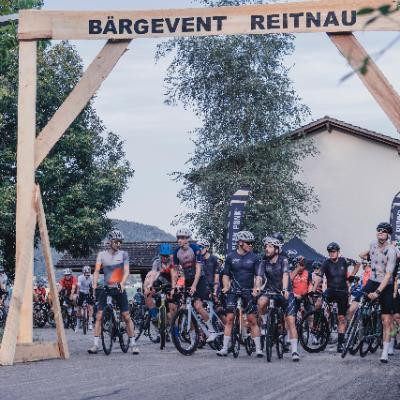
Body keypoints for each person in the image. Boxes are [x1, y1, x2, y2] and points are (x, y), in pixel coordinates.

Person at [88, 229, 138, 355]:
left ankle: (133, 344)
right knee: (99, 315)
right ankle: (95, 345)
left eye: (120, 242)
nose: (118, 244)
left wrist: (122, 283)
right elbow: (96, 271)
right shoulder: (102, 255)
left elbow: (126, 271)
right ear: (110, 242)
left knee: (126, 316)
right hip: (106, 288)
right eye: (116, 241)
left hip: (119, 287)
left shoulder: (124, 254)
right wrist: (94, 285)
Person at [217, 230, 262, 357]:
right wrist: (226, 286)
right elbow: (225, 274)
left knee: (252, 319)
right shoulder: (230, 257)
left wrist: (256, 288)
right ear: (240, 243)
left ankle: (258, 349)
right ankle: (224, 348)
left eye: (252, 243)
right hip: (233, 290)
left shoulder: (255, 257)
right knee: (230, 318)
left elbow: (258, 276)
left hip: (248, 290)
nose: (250, 245)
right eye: (248, 243)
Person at [358, 222, 397, 362]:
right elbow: (361, 255)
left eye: (384, 231)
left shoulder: (391, 251)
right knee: (356, 303)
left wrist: (378, 292)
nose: (381, 232)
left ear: (388, 235)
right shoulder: (373, 244)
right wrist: (370, 254)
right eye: (379, 230)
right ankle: (359, 328)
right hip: (372, 281)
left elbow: (388, 275)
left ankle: (385, 351)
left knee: (386, 320)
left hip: (386, 284)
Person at [256, 236, 299, 362]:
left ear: (276, 249)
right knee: (261, 302)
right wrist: (257, 287)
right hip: (270, 290)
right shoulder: (263, 261)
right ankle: (265, 322)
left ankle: (294, 351)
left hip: (285, 291)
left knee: (290, 320)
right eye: (266, 246)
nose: (267, 249)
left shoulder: (283, 260)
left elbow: (285, 274)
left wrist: (285, 289)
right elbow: (259, 276)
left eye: (270, 247)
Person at [171, 228, 217, 343]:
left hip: (199, 278)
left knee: (197, 305)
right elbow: (175, 271)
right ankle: (192, 338)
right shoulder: (176, 252)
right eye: (178, 238)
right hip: (187, 279)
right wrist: (174, 287)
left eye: (182, 238)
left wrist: (194, 286)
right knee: (186, 308)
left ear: (187, 239)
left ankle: (212, 331)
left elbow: (198, 269)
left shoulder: (195, 249)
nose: (179, 240)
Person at [312, 242, 359, 353]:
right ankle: (318, 326)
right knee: (318, 303)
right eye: (330, 252)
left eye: (333, 252)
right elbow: (319, 276)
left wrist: (351, 277)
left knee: (341, 318)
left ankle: (340, 344)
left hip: (342, 292)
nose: (331, 254)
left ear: (338, 252)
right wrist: (313, 290)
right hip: (331, 290)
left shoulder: (344, 260)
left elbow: (357, 264)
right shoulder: (326, 263)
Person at [144, 243, 177, 323]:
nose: (165, 258)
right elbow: (153, 273)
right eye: (163, 256)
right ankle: (154, 314)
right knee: (147, 293)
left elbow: (174, 276)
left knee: (172, 308)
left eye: (167, 256)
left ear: (170, 255)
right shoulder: (157, 262)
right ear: (160, 255)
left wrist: (173, 288)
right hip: (161, 280)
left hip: (171, 281)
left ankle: (175, 328)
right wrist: (150, 285)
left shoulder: (173, 262)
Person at [77, 265, 94, 331]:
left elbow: (93, 287)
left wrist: (93, 295)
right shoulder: (80, 277)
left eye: (88, 273)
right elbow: (78, 287)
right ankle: (78, 323)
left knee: (90, 307)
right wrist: (78, 294)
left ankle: (90, 323)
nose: (87, 275)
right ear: (83, 273)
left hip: (88, 292)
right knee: (79, 307)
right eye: (86, 273)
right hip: (81, 291)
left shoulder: (91, 277)